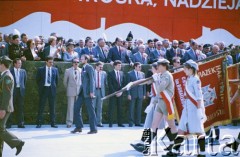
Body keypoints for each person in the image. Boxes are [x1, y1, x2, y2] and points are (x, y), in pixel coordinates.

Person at [129, 59, 178, 155]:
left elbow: (160, 88)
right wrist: (133, 84)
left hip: (166, 103)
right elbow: (146, 81)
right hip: (159, 102)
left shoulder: (166, 75)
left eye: (158, 66)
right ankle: (146, 146)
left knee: (171, 125)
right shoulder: (158, 75)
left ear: (163, 66)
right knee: (153, 125)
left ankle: (175, 146)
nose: (156, 68)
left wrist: (156, 79)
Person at [165, 60, 207, 157]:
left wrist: (199, 110)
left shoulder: (195, 79)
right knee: (181, 128)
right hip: (187, 107)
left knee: (198, 131)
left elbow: (199, 95)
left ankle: (202, 152)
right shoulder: (189, 78)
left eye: (185, 69)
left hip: (194, 107)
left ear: (191, 69)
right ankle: (175, 151)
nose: (184, 70)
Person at [0, 56, 25, 156]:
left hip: (4, 108)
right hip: (3, 107)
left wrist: (2, 109)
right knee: (0, 131)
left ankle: (18, 143)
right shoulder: (4, 75)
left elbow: (7, 94)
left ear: (2, 64)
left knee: (0, 130)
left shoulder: (7, 76)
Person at [71, 54, 98, 134]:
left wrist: (92, 92)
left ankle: (93, 129)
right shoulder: (83, 68)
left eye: (82, 58)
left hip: (88, 93)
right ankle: (79, 127)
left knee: (91, 111)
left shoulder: (89, 67)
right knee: (76, 108)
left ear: (86, 59)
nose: (80, 59)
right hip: (82, 92)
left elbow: (92, 80)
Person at [36, 56, 59, 128]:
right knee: (41, 106)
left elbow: (56, 80)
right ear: (46, 62)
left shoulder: (55, 70)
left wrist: (53, 87)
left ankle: (53, 123)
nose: (51, 64)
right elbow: (37, 80)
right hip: (44, 89)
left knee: (52, 107)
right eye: (50, 62)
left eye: (52, 62)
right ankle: (39, 123)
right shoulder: (40, 69)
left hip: (52, 89)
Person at [8, 59, 27, 128]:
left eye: (20, 63)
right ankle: (9, 123)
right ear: (14, 64)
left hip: (20, 91)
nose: (20, 64)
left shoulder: (23, 71)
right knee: (10, 107)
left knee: (20, 108)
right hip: (12, 92)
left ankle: (20, 123)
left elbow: (24, 81)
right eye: (19, 63)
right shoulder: (10, 71)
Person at [63, 58, 82, 128]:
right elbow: (65, 82)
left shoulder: (81, 70)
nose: (76, 63)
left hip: (79, 91)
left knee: (79, 108)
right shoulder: (68, 71)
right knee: (70, 107)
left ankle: (78, 122)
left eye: (77, 62)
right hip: (71, 91)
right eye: (74, 62)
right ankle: (69, 122)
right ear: (72, 63)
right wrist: (68, 88)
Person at [107, 60, 126, 127]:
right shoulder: (110, 73)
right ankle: (110, 123)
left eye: (120, 65)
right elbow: (110, 84)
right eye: (118, 65)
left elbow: (124, 83)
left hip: (120, 93)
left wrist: (121, 91)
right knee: (111, 108)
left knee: (120, 108)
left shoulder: (122, 73)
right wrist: (115, 92)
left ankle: (120, 123)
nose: (120, 66)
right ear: (115, 66)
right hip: (113, 93)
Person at [127, 62, 146, 127]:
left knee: (139, 108)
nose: (140, 68)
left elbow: (144, 84)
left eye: (140, 66)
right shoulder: (129, 74)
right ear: (135, 67)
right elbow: (128, 85)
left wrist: (144, 94)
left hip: (140, 93)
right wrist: (128, 94)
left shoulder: (142, 74)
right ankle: (131, 122)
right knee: (131, 108)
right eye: (139, 66)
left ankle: (138, 122)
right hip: (132, 93)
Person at [93, 62, 107, 127]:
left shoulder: (104, 73)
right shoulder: (92, 72)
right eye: (100, 67)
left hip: (101, 91)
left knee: (99, 108)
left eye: (102, 67)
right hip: (94, 91)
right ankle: (92, 122)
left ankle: (99, 122)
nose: (101, 68)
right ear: (96, 66)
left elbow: (105, 83)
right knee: (92, 107)